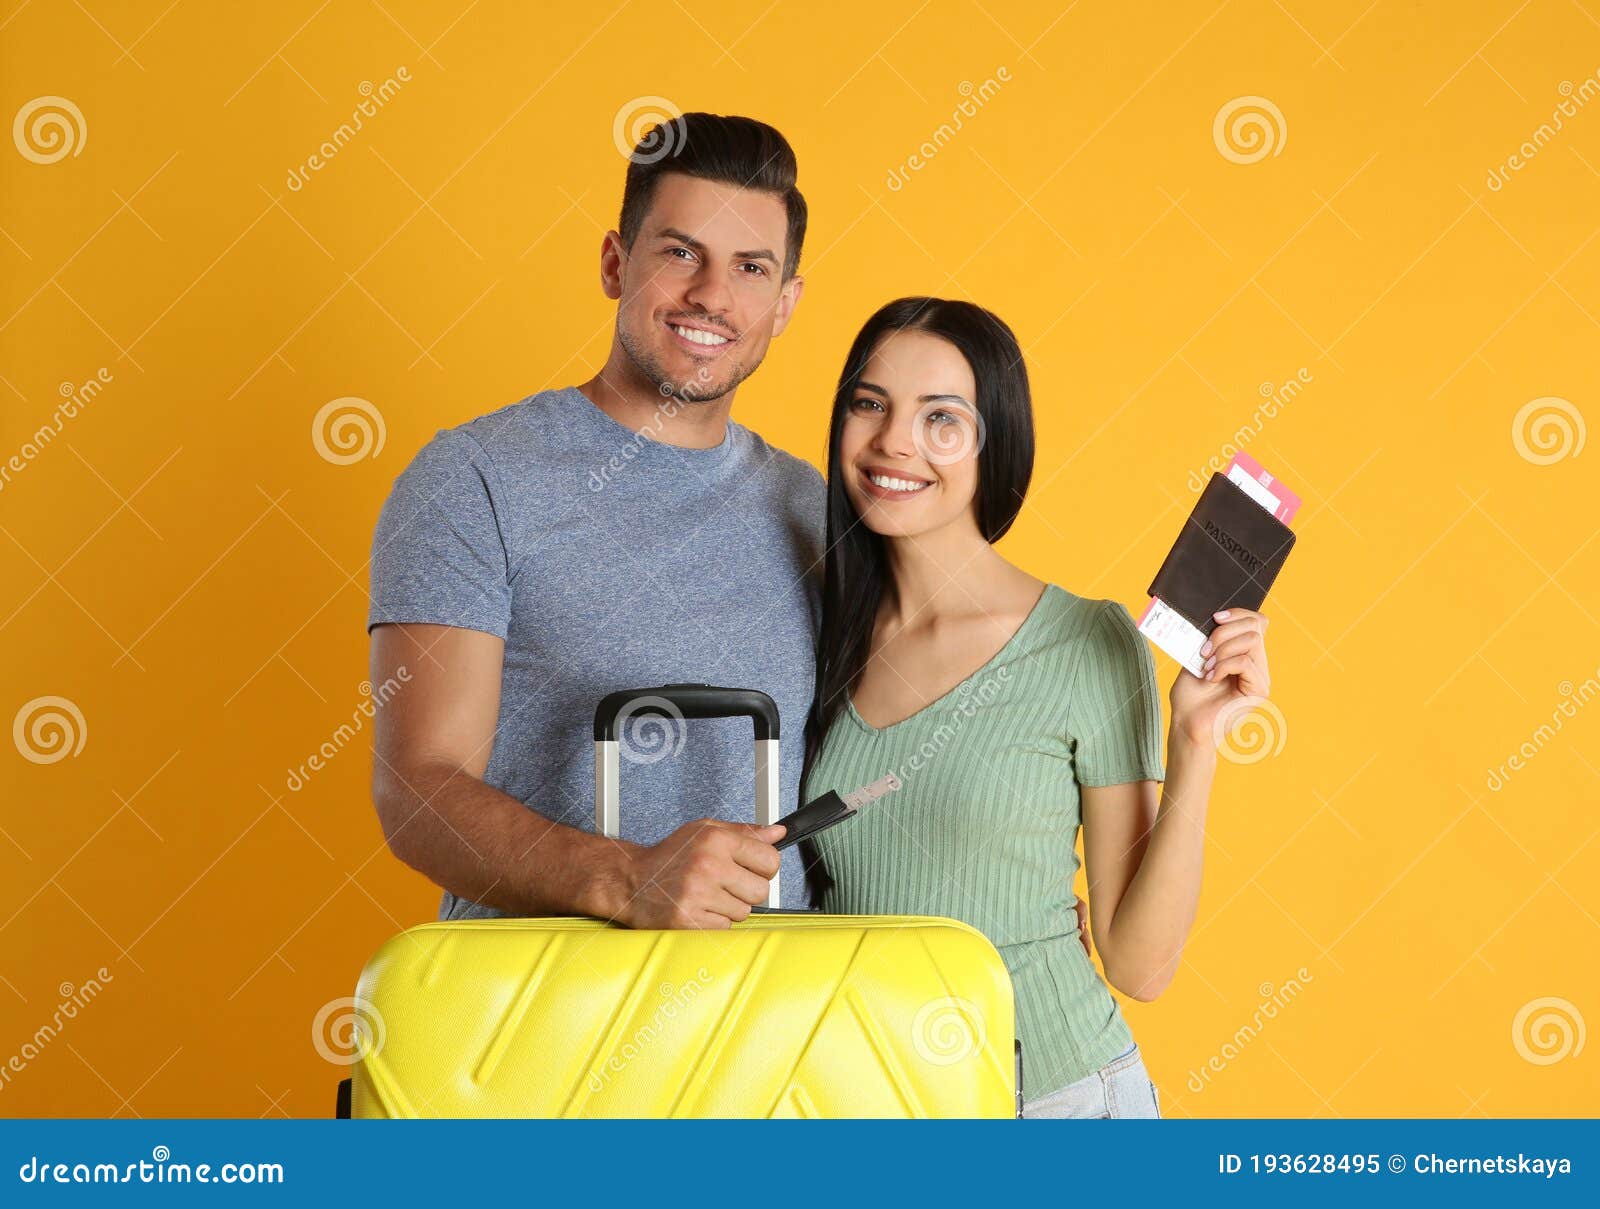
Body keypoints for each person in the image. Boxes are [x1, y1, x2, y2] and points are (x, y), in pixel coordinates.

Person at [797, 296, 1275, 1118]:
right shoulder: (817, 624)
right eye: (869, 403)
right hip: (876, 1103)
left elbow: (1138, 964)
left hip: (1055, 1102)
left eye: (941, 419)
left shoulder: (1088, 643)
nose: (893, 442)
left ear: (997, 446)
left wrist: (1196, 743)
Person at [366, 113, 822, 928]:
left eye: (750, 268)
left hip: (772, 1027)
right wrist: (625, 879)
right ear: (616, 263)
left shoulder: (816, 511)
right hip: (542, 1023)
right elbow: (417, 788)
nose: (711, 297)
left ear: (784, 303)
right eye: (680, 253)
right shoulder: (472, 480)